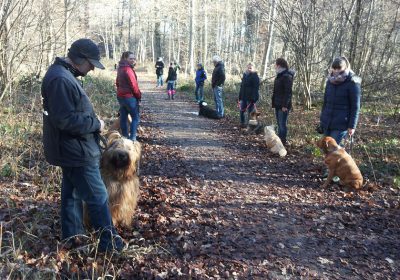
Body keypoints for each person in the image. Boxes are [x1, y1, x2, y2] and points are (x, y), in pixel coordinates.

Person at [41, 38, 124, 252]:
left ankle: (73, 237)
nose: (92, 70)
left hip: (72, 149)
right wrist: (96, 123)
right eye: (91, 64)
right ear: (80, 59)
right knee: (98, 196)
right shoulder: (60, 78)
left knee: (72, 194)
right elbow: (65, 120)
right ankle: (110, 244)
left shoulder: (63, 75)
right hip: (76, 151)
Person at [320, 56, 361, 146]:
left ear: (345, 67)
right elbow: (326, 102)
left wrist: (352, 126)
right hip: (327, 121)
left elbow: (355, 106)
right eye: (334, 68)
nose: (336, 70)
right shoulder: (329, 81)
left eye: (339, 68)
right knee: (325, 147)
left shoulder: (353, 82)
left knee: (335, 149)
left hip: (341, 123)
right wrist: (322, 118)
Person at [116, 51, 141, 141]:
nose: (133, 60)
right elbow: (134, 85)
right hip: (129, 97)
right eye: (131, 58)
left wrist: (120, 92)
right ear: (125, 58)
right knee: (135, 118)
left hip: (121, 97)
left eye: (134, 58)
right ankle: (133, 138)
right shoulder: (128, 69)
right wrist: (138, 95)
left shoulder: (120, 68)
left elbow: (117, 82)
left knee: (123, 117)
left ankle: (125, 137)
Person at [271, 58, 295, 146]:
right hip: (277, 104)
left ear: (279, 65)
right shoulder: (279, 75)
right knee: (279, 123)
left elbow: (288, 92)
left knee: (282, 124)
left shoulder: (287, 76)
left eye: (275, 64)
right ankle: (279, 141)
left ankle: (282, 142)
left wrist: (285, 105)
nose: (275, 66)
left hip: (283, 105)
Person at [238, 62, 260, 127]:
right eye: (248, 67)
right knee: (241, 111)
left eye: (250, 68)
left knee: (250, 113)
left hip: (250, 98)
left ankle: (250, 126)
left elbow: (256, 88)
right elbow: (242, 87)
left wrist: (253, 98)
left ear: (253, 68)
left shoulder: (255, 76)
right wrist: (240, 96)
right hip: (243, 97)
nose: (249, 69)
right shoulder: (245, 75)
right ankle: (242, 123)